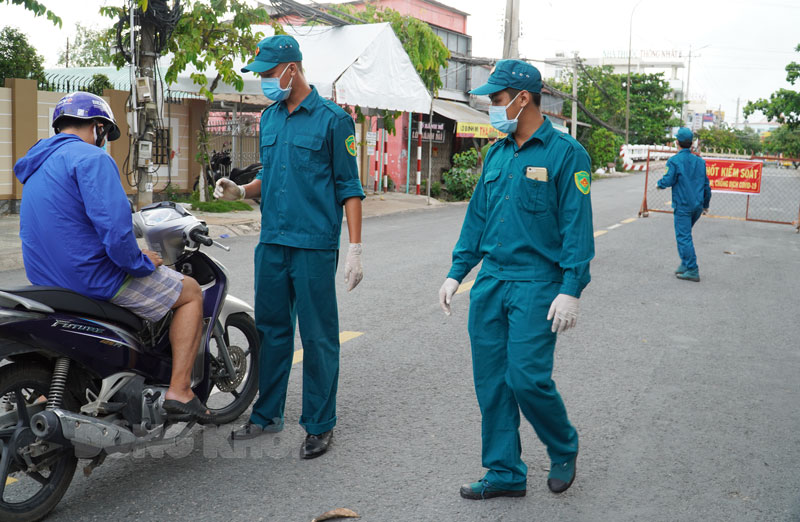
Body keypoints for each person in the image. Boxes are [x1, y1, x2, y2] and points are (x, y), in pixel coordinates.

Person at [437, 60, 594, 500]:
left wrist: (571, 288)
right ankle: (505, 471)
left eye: (497, 99)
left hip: (537, 285)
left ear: (523, 99)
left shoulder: (566, 154)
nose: (492, 106)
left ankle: (564, 445)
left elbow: (577, 226)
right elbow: (477, 219)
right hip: (491, 283)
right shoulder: (497, 153)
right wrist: (456, 273)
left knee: (526, 379)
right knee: (491, 383)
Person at [13, 92, 210, 421]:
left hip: (46, 281)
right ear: (98, 127)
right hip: (90, 278)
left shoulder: (37, 162)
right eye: (105, 133)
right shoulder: (92, 159)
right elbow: (116, 234)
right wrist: (143, 260)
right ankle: (180, 390)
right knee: (189, 292)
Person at [215, 35, 365, 459]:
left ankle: (319, 424)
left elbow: (349, 188)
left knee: (318, 338)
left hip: (314, 246)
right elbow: (275, 176)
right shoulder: (270, 119)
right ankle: (267, 415)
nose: (263, 80)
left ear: (292, 70)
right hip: (273, 242)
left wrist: (355, 248)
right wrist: (241, 191)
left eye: (267, 73)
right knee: (272, 332)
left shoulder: (334, 121)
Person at [656, 127, 711, 282]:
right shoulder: (700, 162)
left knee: (684, 237)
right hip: (697, 206)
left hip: (683, 206)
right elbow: (706, 185)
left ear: (677, 142)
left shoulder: (674, 160)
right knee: (685, 235)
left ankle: (692, 268)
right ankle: (685, 264)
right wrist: (706, 204)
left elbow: (668, 180)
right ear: (691, 143)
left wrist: (659, 184)